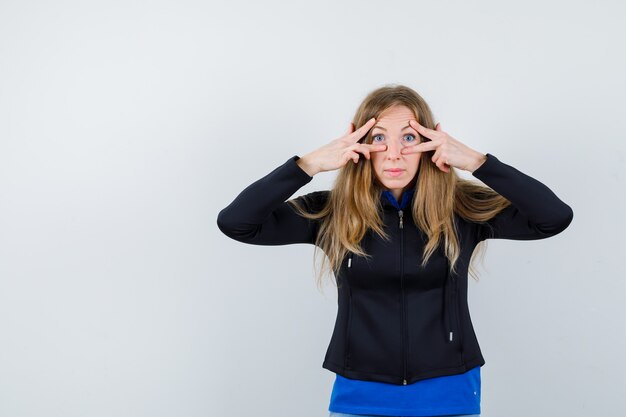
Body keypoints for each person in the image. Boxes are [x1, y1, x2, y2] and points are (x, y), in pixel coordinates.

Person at [216, 84, 574, 417]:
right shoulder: (333, 213)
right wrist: (306, 165)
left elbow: (553, 218)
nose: (394, 154)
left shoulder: (460, 209)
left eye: (409, 137)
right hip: (359, 396)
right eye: (378, 138)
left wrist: (477, 162)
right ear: (359, 145)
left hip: (449, 392)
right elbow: (237, 223)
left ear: (431, 143)